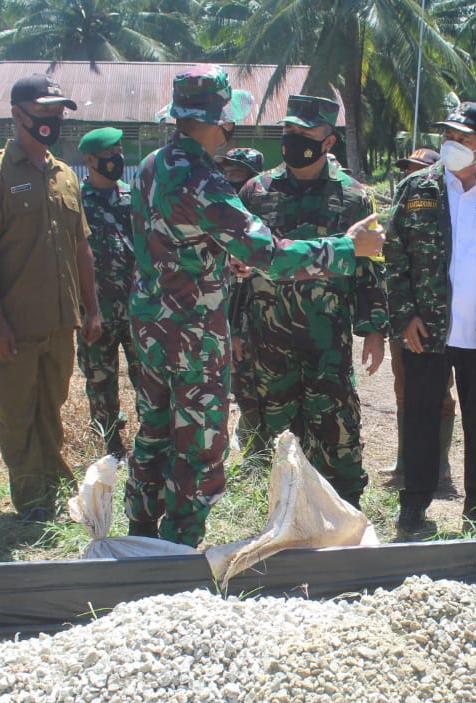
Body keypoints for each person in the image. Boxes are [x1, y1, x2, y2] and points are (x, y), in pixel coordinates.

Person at [124, 65, 383, 546]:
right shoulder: (203, 179)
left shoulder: (152, 164)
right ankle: (179, 548)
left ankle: (139, 530)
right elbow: (272, 257)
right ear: (215, 117)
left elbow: (172, 245)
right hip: (192, 330)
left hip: (151, 323)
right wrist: (348, 248)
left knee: (155, 427)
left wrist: (223, 267)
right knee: (200, 441)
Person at [237, 95, 388, 508]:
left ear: (329, 141)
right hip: (268, 338)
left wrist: (374, 331)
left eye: (305, 133)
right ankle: (289, 512)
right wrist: (235, 333)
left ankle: (347, 509)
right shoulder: (256, 190)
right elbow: (240, 269)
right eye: (289, 132)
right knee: (281, 431)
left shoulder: (353, 196)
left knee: (336, 426)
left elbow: (369, 267)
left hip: (326, 337)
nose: (294, 140)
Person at [0, 74, 102, 522]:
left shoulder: (65, 175)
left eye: (58, 112)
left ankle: (54, 482)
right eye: (43, 111)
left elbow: (82, 248)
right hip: (15, 323)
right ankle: (30, 498)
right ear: (18, 113)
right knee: (18, 412)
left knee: (52, 406)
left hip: (61, 321)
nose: (52, 120)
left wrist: (92, 307)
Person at [386, 102, 476, 538]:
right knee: (422, 418)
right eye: (448, 137)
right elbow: (394, 257)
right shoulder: (417, 188)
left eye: (462, 140)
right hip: (427, 330)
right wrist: (404, 316)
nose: (451, 145)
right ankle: (414, 505)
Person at [383, 145, 455, 488]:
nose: (410, 175)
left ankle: (440, 465)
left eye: (417, 168)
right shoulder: (404, 205)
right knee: (403, 390)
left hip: (442, 318)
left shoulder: (450, 207)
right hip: (406, 314)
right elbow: (392, 259)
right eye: (406, 168)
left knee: (440, 394)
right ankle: (404, 463)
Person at [76, 126, 140, 459]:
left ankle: (150, 444)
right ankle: (111, 448)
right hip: (95, 309)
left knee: (148, 381)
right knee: (100, 383)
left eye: (119, 152)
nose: (116, 159)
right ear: (89, 160)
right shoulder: (75, 201)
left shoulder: (133, 197)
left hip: (136, 308)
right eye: (108, 155)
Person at [216, 147, 266, 450]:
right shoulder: (217, 216)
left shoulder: (258, 221)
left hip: (254, 315)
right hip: (221, 314)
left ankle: (255, 445)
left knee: (255, 384)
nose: (229, 179)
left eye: (237, 174)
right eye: (227, 173)